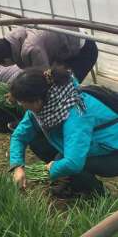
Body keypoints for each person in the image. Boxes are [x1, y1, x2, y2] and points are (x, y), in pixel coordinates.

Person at [9, 66, 118, 198]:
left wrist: (52, 169)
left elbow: (73, 163)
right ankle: (74, 182)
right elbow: (19, 136)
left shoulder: (75, 112)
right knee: (39, 143)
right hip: (91, 146)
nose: (21, 105)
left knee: (68, 164)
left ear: (36, 101)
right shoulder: (42, 107)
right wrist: (17, 166)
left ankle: (98, 195)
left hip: (112, 154)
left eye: (21, 102)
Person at [0, 26, 98, 83]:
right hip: (67, 48)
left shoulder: (32, 49)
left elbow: (45, 78)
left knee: (67, 86)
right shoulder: (15, 39)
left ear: (6, 60)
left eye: (2, 64)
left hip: (84, 50)